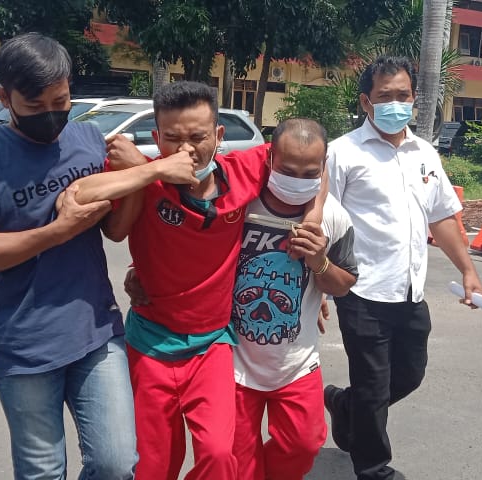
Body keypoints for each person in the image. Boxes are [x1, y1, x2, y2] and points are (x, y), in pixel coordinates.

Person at [68, 82, 323, 480]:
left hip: (212, 346)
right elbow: (80, 195)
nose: (186, 149)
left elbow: (315, 160)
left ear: (219, 136)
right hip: (151, 342)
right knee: (153, 466)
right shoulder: (144, 178)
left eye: (198, 137)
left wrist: (315, 213)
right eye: (172, 138)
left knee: (220, 456)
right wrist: (150, 169)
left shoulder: (243, 172)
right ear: (157, 138)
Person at [0, 33, 153, 479]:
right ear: (5, 98)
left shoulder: (88, 140)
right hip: (26, 344)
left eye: (60, 101)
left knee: (116, 464)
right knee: (43, 472)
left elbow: (114, 230)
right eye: (35, 106)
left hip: (96, 331)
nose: (52, 115)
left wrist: (136, 177)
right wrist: (57, 232)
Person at [323, 56, 482, 480]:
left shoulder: (424, 153)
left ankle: (345, 404)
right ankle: (373, 468)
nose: (396, 104)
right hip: (361, 290)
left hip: (410, 290)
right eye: (385, 96)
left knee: (410, 375)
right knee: (374, 387)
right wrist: (318, 287)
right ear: (366, 101)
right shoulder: (342, 153)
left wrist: (468, 270)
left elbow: (442, 217)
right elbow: (321, 221)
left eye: (403, 95)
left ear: (415, 98)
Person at [230, 118, 358, 480]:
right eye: (288, 171)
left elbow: (344, 284)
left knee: (303, 445)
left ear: (323, 166)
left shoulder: (333, 218)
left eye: (309, 173)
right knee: (236, 459)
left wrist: (319, 263)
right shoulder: (240, 205)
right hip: (232, 362)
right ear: (270, 157)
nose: (298, 180)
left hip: (295, 365)